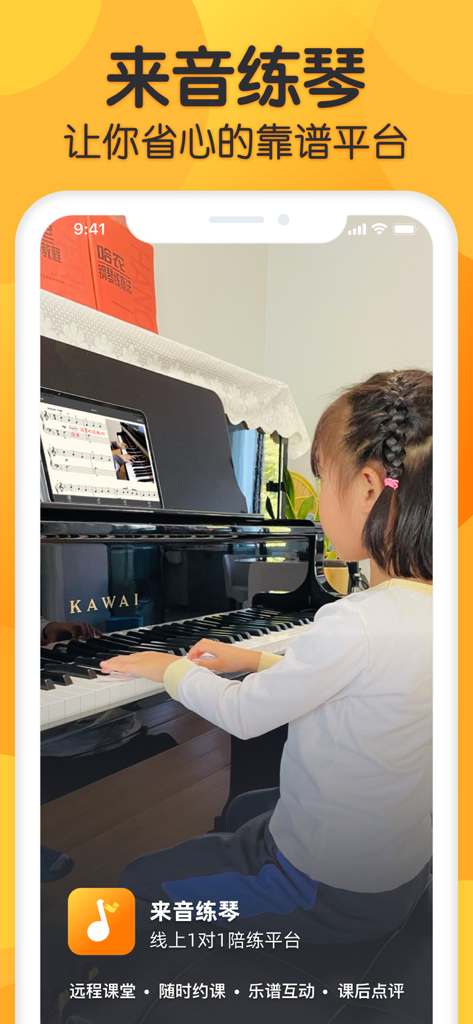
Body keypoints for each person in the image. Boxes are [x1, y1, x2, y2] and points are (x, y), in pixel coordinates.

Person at [100, 369, 432, 944]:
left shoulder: (359, 620)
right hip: (394, 871)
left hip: (324, 892)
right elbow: (357, 686)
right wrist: (253, 661)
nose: (320, 497)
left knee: (135, 888)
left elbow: (248, 716)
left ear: (371, 490)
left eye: (323, 477)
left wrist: (168, 669)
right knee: (249, 806)